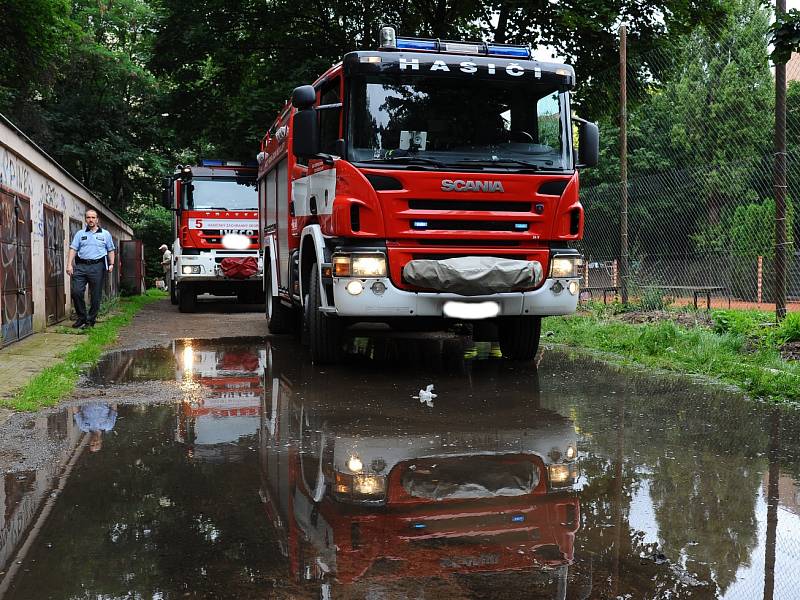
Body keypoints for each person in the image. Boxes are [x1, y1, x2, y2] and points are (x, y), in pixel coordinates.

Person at [67, 209, 115, 328]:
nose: (91, 220)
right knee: (76, 292)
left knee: (95, 295)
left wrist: (111, 264)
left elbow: (110, 250)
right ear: (85, 219)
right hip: (81, 266)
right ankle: (82, 317)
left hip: (98, 266)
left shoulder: (105, 234)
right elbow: (73, 249)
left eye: (93, 217)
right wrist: (69, 264)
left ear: (97, 219)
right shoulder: (80, 234)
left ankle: (90, 320)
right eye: (88, 217)